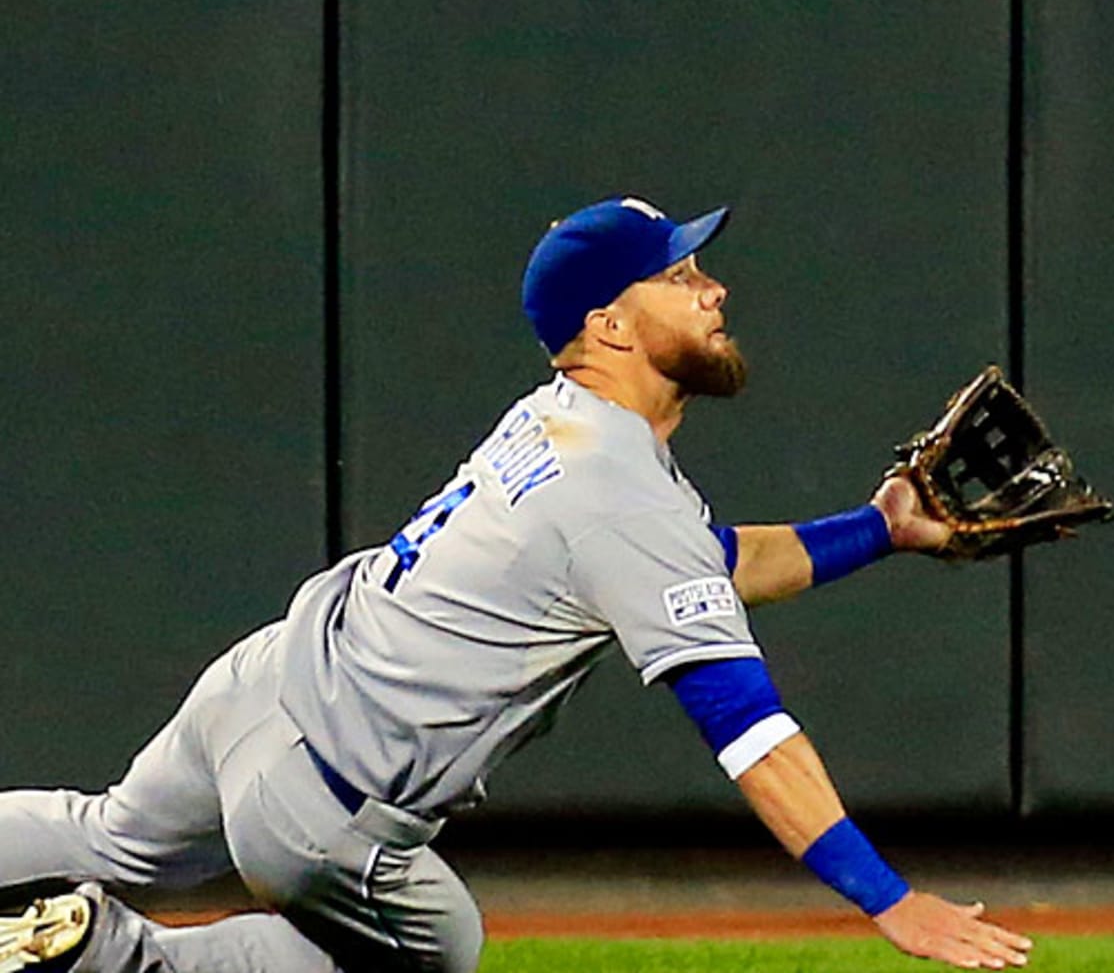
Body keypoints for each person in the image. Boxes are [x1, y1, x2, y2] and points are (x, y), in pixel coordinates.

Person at [0, 196, 1033, 973]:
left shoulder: (561, 420)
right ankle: (105, 953)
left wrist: (881, 528)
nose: (712, 289)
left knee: (112, 835)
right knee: (433, 946)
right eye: (677, 275)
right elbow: (750, 732)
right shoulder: (619, 491)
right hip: (324, 800)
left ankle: (74, 922)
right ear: (612, 327)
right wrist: (885, 898)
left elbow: (706, 565)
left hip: (264, 688)